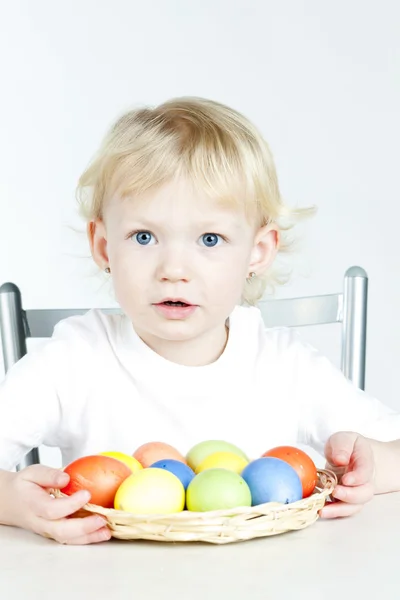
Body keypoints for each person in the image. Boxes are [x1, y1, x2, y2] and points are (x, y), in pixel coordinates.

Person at [0, 97, 399, 545]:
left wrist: (371, 465)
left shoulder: (285, 366)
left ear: (258, 251)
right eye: (144, 236)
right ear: (104, 245)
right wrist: (13, 502)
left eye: (210, 238)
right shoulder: (73, 361)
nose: (174, 268)